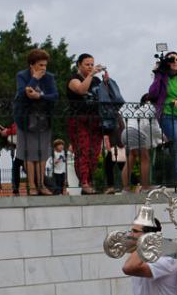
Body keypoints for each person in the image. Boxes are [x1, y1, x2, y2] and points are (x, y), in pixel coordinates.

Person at [13, 49, 58, 195]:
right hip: (26, 119)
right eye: (40, 65)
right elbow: (22, 94)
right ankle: (31, 186)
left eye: (45, 65)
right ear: (32, 65)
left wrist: (39, 96)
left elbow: (54, 95)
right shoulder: (22, 75)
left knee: (42, 154)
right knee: (29, 154)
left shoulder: (49, 77)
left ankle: (41, 185)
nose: (44, 68)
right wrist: (34, 79)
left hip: (44, 119)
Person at [66, 53, 108, 194]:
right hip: (78, 120)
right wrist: (91, 76)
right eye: (87, 64)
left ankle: (89, 181)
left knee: (94, 153)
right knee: (83, 151)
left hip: (95, 120)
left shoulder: (96, 80)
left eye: (92, 64)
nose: (90, 67)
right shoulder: (73, 79)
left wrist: (106, 82)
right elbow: (81, 90)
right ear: (79, 65)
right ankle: (83, 182)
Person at [148, 51, 177, 186]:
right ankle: (176, 178)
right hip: (167, 115)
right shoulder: (162, 77)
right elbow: (152, 93)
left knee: (176, 147)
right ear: (167, 63)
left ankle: (168, 174)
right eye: (172, 60)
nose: (176, 62)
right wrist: (158, 75)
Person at [122, 94, 165, 192]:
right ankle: (145, 187)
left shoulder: (140, 109)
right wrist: (164, 137)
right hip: (134, 133)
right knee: (145, 158)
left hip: (126, 132)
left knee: (130, 159)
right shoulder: (150, 108)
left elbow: (145, 128)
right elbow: (152, 127)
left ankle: (125, 188)